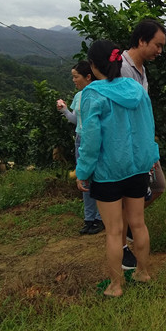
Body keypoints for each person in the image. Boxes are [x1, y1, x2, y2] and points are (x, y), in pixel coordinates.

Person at [75, 40, 160, 297]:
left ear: (92, 65)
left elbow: (90, 139)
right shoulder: (135, 88)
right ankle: (143, 273)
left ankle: (115, 286)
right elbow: (148, 127)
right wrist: (150, 158)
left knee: (113, 231)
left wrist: (83, 171)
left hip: (108, 172)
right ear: (117, 61)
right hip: (137, 169)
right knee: (138, 223)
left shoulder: (92, 94)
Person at [118, 18, 166, 270]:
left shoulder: (141, 69)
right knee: (132, 197)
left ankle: (125, 227)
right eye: (157, 45)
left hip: (143, 145)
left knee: (158, 186)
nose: (160, 51)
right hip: (129, 148)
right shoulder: (122, 68)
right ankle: (124, 249)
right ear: (141, 41)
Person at [57, 61, 104, 235]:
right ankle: (89, 219)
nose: (73, 80)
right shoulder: (78, 96)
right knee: (83, 180)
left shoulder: (99, 94)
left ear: (88, 76)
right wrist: (64, 110)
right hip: (80, 140)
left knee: (98, 179)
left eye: (76, 76)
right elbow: (76, 120)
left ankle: (100, 219)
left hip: (94, 140)